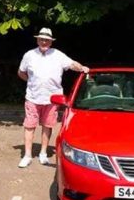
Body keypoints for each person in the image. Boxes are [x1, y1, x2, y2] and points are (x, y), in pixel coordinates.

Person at [17, 27, 89, 168]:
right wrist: (31, 82)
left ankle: (43, 153)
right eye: (41, 39)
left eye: (47, 40)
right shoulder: (29, 55)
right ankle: (27, 155)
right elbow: (21, 72)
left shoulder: (58, 55)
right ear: (37, 40)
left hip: (52, 99)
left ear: (51, 42)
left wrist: (82, 68)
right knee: (29, 126)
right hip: (32, 97)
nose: (44, 42)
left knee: (47, 126)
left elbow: (72, 64)